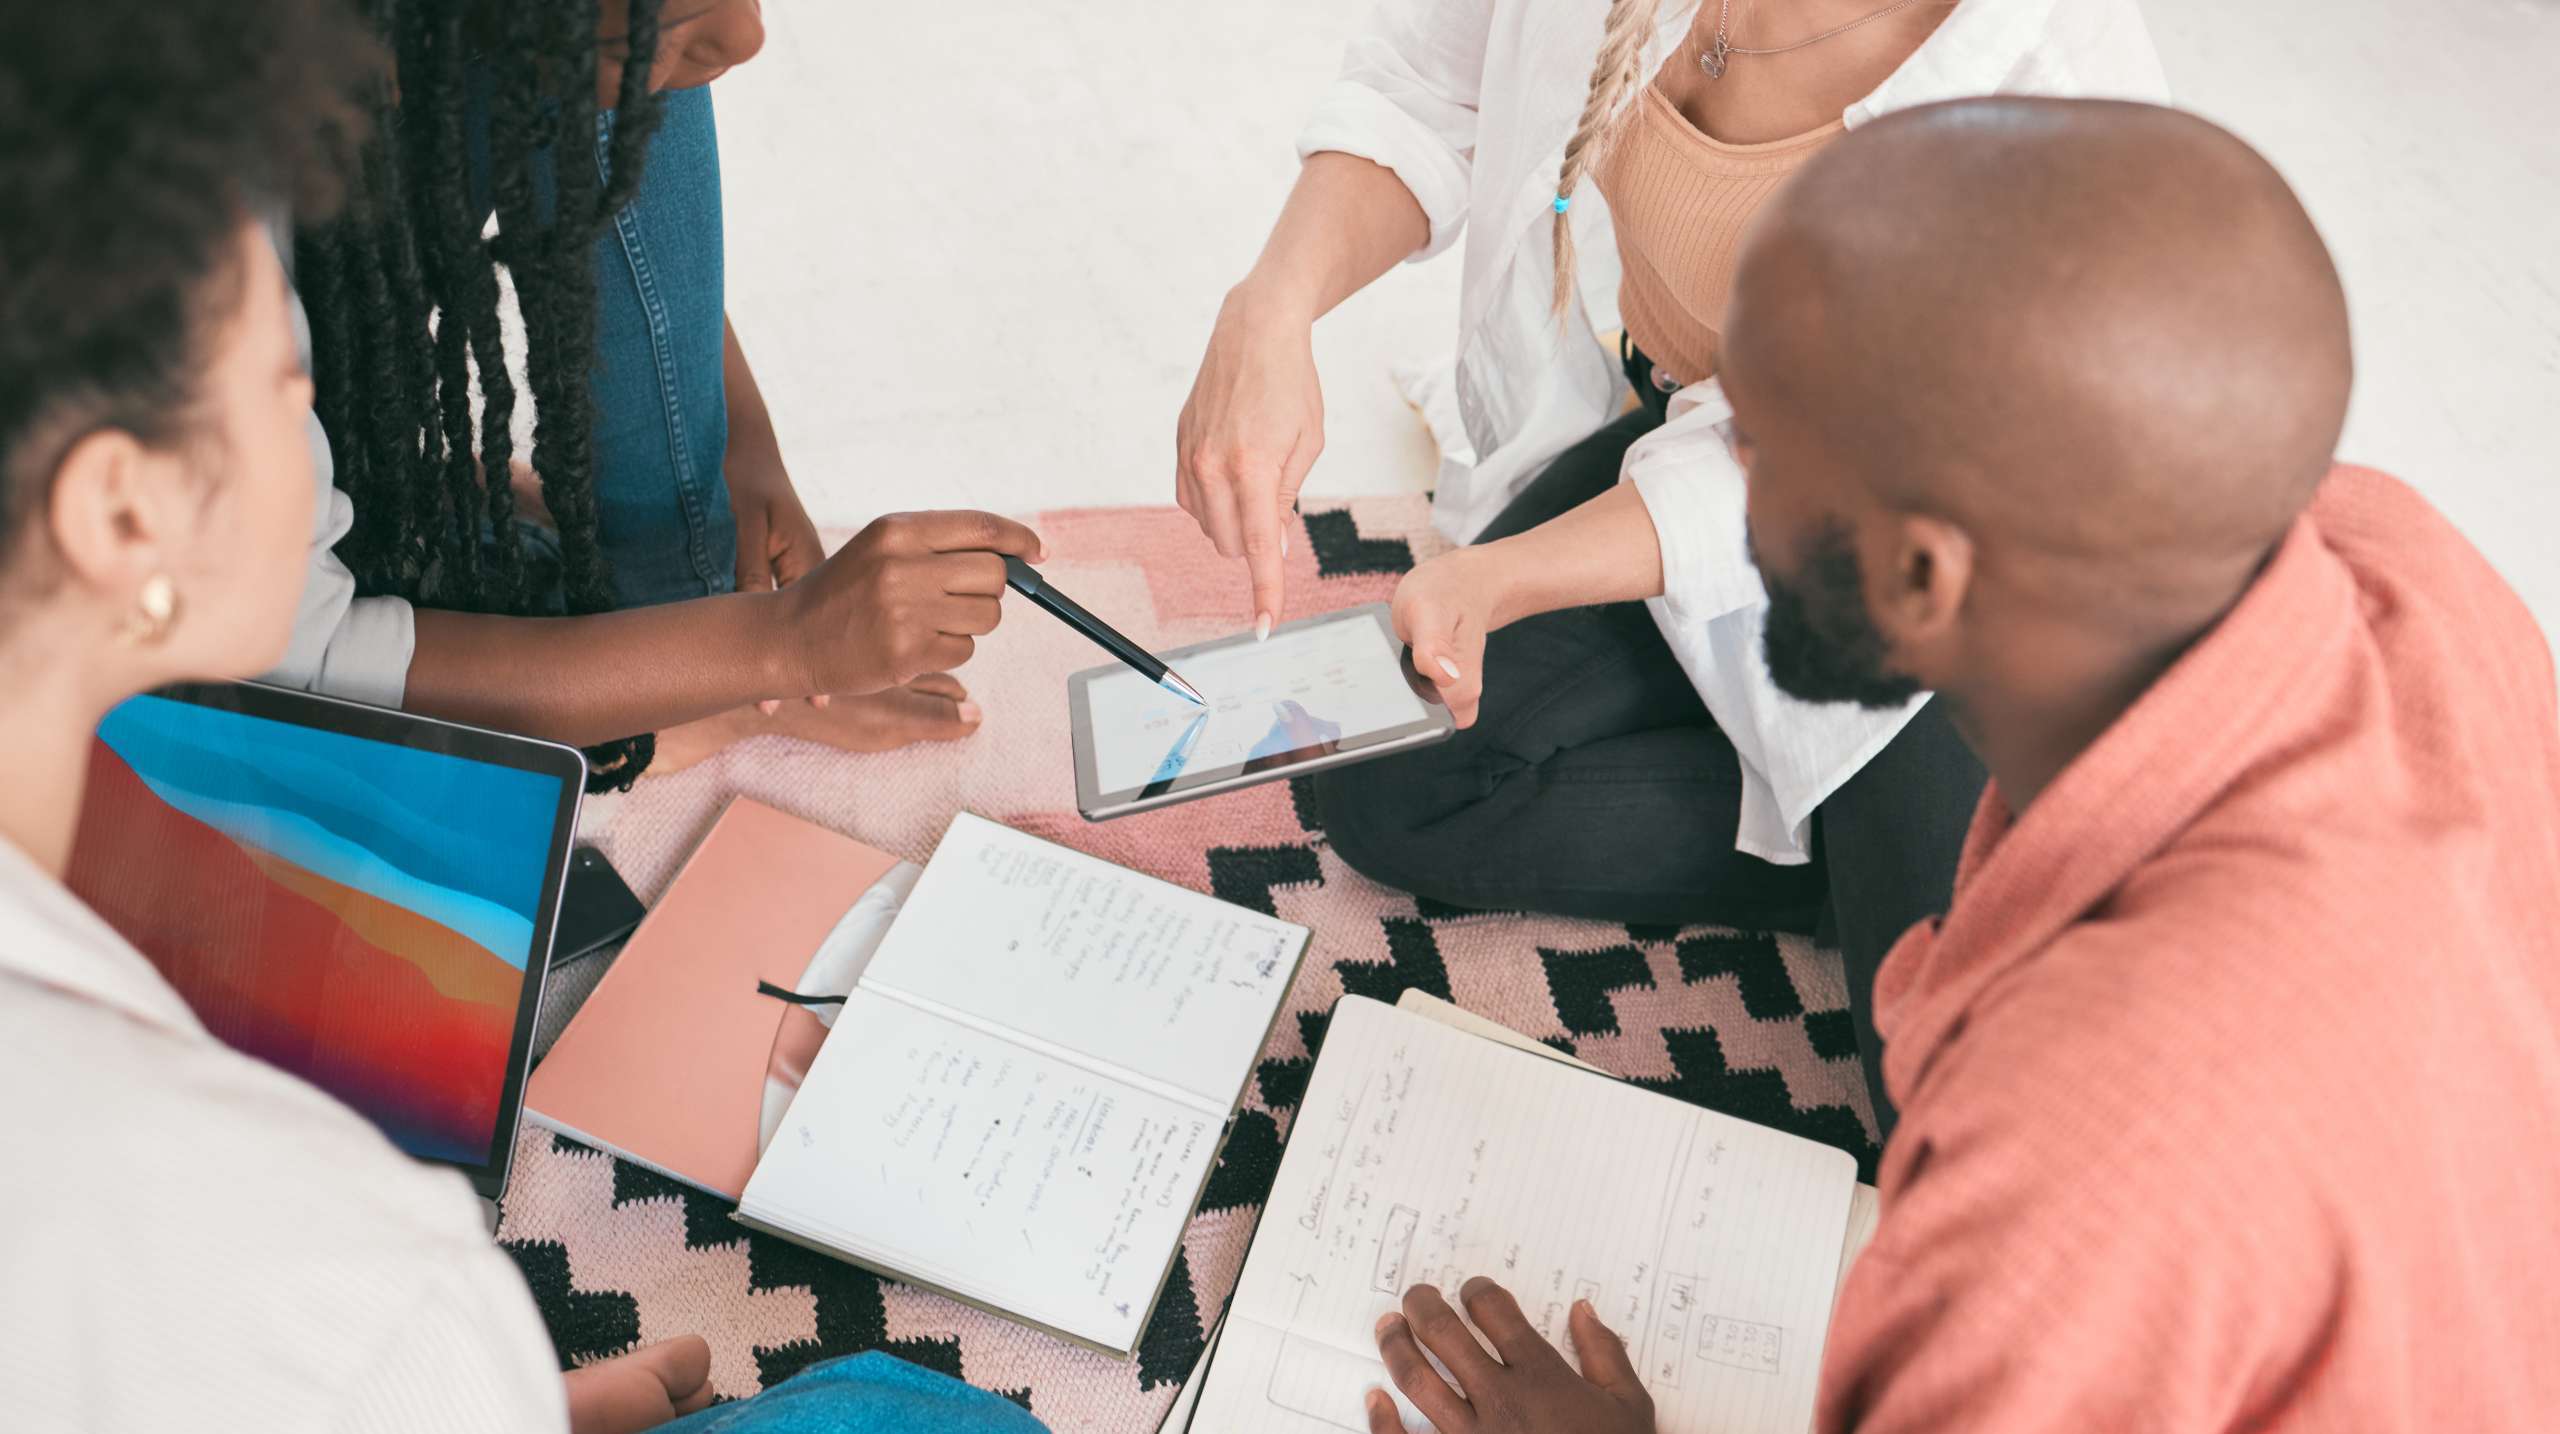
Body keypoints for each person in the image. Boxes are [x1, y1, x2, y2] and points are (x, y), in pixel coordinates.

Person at [1356, 98, 2560, 1432]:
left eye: (1752, 448)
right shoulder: (2404, 559)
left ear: (1923, 572)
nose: (1710, 479)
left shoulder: (2051, 1186)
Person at [0, 5, 1045, 1430]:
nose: (744, 37)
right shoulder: (342, 1254)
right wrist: (462, 1385)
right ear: (123, 509)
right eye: (281, 377)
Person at [1179, 0, 2171, 1136]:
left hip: (1955, 582)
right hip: (1698, 436)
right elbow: (1430, 87)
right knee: (1395, 782)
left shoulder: (2050, 83)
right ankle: (1841, 859)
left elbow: (1838, 462)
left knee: (1958, 1131)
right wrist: (1270, 307)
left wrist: (1504, 579)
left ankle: (1976, 834)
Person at [278, 0, 1033, 792]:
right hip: (209, 567)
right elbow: (299, 668)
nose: (749, 37)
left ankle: (675, 610)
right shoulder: (184, 237)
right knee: (614, 53)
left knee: (606, 66)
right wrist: (779, 647)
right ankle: (672, 670)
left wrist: (741, 430)